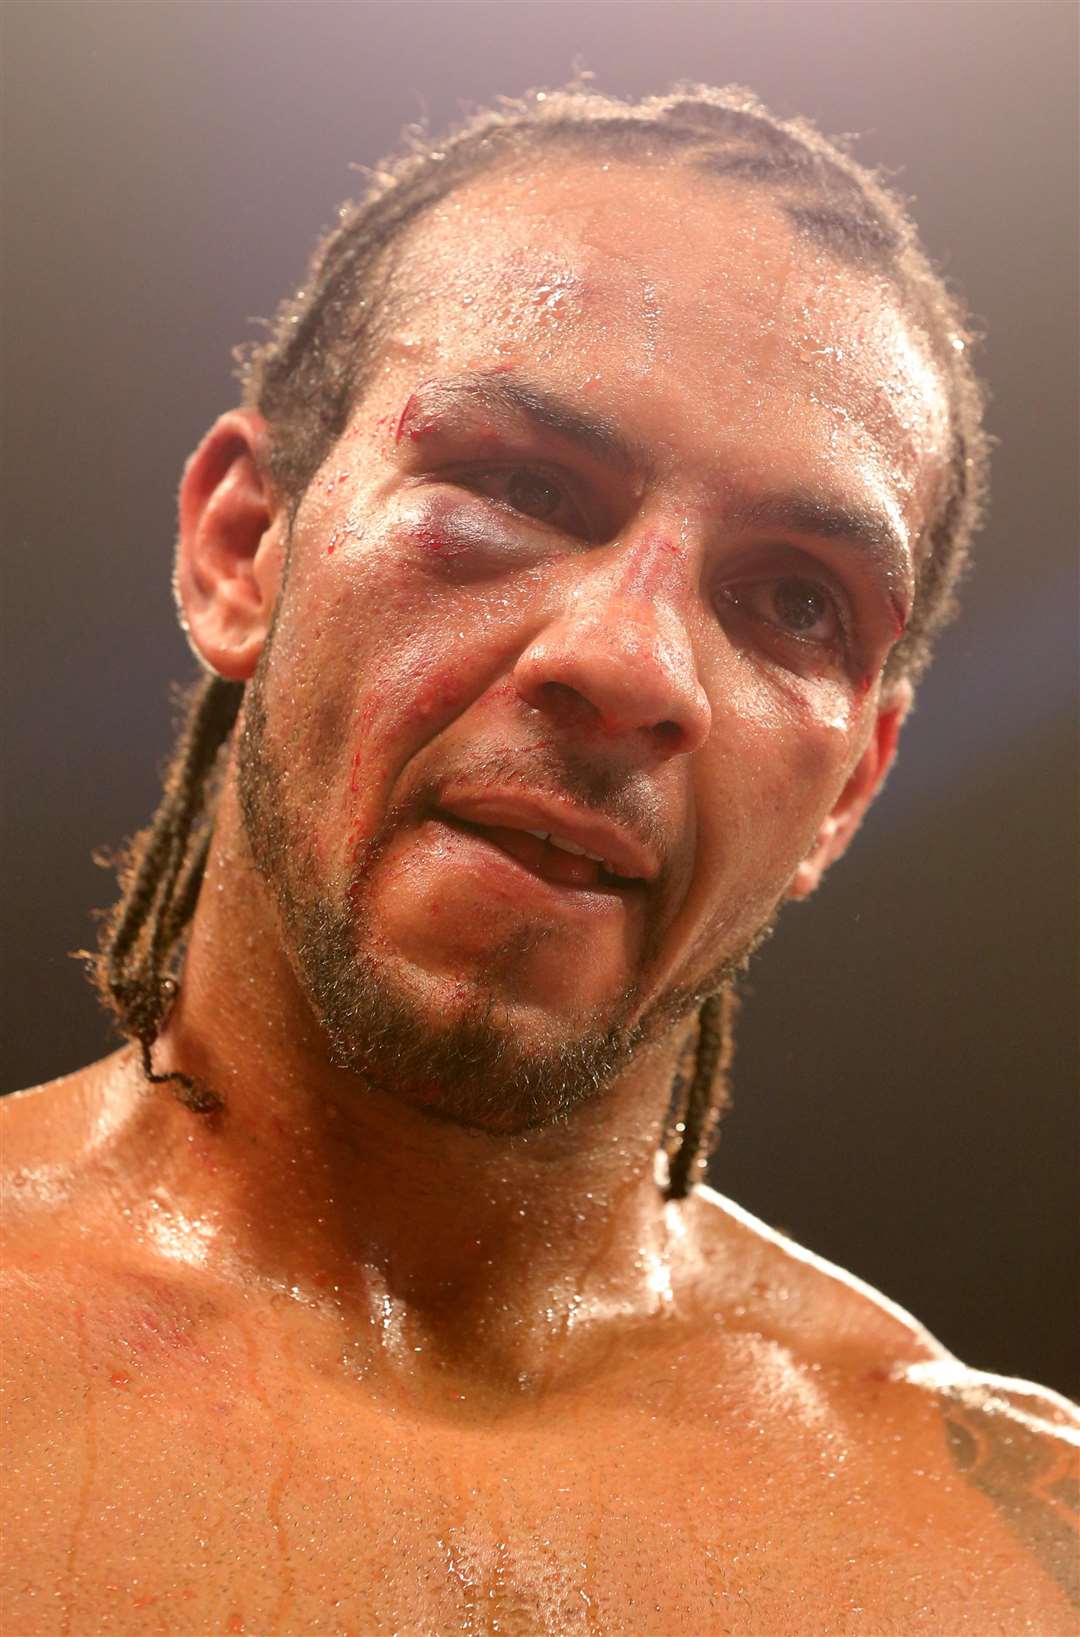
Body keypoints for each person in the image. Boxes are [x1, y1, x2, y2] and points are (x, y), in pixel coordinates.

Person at [2, 81, 1077, 1636]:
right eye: (519, 485)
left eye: (791, 599)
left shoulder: (1011, 1559)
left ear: (848, 790)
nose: (634, 661)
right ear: (245, 549)